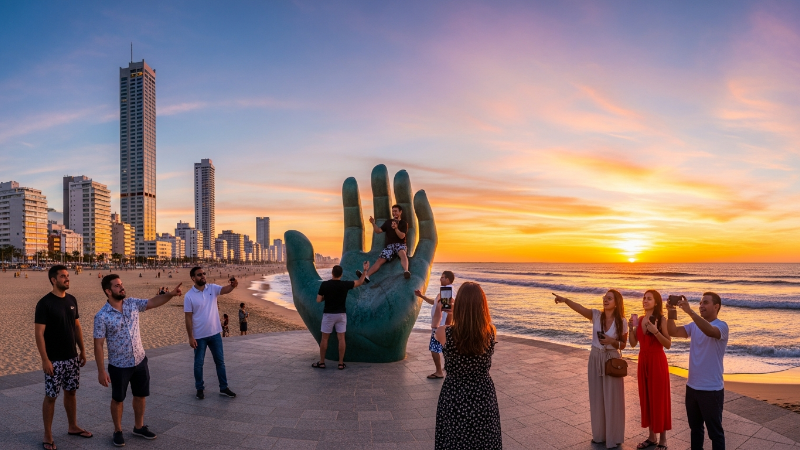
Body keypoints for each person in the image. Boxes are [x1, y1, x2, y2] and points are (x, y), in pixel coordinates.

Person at [93, 275, 183, 447]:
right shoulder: (102, 316)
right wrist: (101, 370)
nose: (121, 287)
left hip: (140, 360)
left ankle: (139, 426)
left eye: (121, 284)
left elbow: (153, 302)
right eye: (117, 286)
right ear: (108, 291)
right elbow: (98, 345)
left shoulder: (132, 303)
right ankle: (118, 430)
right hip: (119, 365)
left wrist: (170, 294)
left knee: (140, 395)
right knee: (118, 399)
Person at [554, 290, 628, 449]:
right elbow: (580, 308)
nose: (605, 300)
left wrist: (611, 341)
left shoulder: (622, 321)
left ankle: (613, 437)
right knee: (596, 397)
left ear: (617, 302)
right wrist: (565, 299)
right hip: (595, 357)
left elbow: (623, 345)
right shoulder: (595, 315)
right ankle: (600, 435)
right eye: (604, 298)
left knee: (612, 398)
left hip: (612, 359)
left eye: (609, 298)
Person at [433, 282, 500, 449]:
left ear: (459, 304)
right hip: (482, 394)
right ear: (482, 306)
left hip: (455, 394)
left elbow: (436, 330)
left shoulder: (445, 333)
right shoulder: (490, 331)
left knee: (454, 440)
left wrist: (441, 312)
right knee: (483, 440)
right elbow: (470, 329)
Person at [35, 265, 93, 450]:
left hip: (72, 358)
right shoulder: (44, 303)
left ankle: (73, 425)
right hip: (55, 360)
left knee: (71, 392)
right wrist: (45, 359)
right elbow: (39, 334)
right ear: (54, 280)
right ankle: (48, 433)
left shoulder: (72, 299)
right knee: (51, 396)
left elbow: (76, 326)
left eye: (67, 276)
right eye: (63, 276)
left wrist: (82, 350)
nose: (67, 279)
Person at [667, 292, 728, 450]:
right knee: (695, 430)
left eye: (705, 302)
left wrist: (690, 311)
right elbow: (673, 331)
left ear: (716, 306)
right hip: (692, 387)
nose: (701, 305)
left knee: (715, 434)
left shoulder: (722, 326)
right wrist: (671, 311)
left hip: (711, 390)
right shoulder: (694, 326)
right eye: (700, 302)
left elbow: (710, 331)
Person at [184, 266, 238, 400]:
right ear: (193, 278)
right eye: (199, 275)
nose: (202, 276)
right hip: (199, 336)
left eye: (203, 274)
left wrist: (233, 285)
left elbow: (225, 289)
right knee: (198, 364)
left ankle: (224, 387)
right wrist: (191, 337)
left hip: (215, 333)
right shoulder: (189, 296)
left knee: (220, 362)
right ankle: (199, 389)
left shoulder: (212, 289)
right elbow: (188, 318)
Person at [628, 290, 672, 450]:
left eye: (649, 299)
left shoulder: (661, 319)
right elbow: (633, 344)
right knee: (646, 398)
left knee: (659, 400)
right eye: (644, 298)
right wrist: (631, 329)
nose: (645, 301)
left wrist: (655, 331)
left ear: (656, 302)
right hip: (643, 361)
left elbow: (668, 344)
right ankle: (651, 437)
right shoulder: (640, 320)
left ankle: (663, 440)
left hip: (657, 362)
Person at [313, 263, 369, 370]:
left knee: (324, 339)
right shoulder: (345, 284)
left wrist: (327, 297)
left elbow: (318, 300)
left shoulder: (325, 284)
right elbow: (360, 281)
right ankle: (340, 363)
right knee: (341, 339)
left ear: (332, 273)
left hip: (328, 315)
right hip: (341, 315)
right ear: (341, 274)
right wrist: (365, 270)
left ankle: (322, 362)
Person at [414, 270, 456, 379]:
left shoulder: (448, 290)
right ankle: (447, 369)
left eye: (442, 277)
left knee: (434, 349)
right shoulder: (445, 291)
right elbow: (435, 302)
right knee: (444, 348)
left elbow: (448, 309)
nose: (440, 279)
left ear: (448, 279)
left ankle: (439, 372)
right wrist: (421, 296)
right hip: (441, 326)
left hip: (439, 326)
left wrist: (443, 325)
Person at [356, 204, 410, 281]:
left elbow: (402, 236)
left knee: (403, 254)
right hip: (390, 246)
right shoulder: (388, 222)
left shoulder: (403, 223)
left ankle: (406, 271)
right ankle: (367, 276)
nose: (394, 213)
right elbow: (378, 231)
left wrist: (396, 228)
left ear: (400, 212)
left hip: (400, 244)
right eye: (393, 211)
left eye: (396, 211)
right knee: (379, 260)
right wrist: (373, 223)